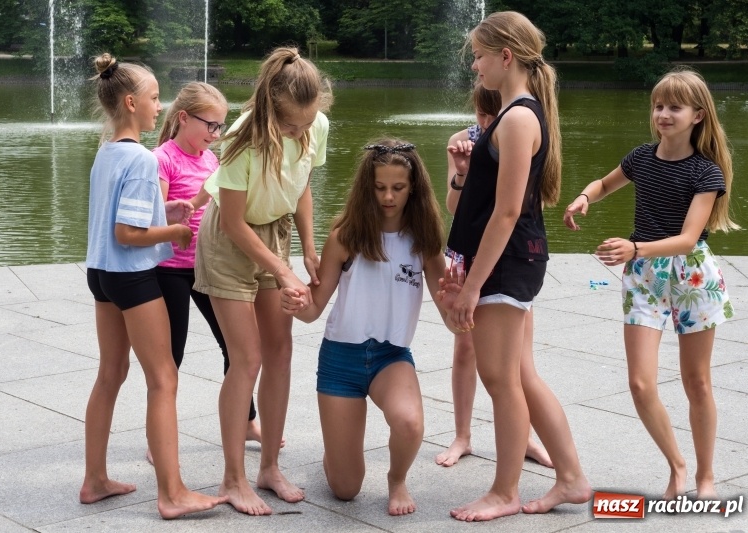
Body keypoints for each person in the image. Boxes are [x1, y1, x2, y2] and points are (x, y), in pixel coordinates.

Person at [564, 69, 738, 500]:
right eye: (658, 106)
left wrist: (635, 247)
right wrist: (586, 196)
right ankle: (677, 465)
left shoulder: (706, 172)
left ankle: (705, 476)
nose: (663, 114)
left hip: (692, 277)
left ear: (698, 115)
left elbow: (687, 238)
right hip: (645, 278)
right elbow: (605, 183)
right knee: (641, 384)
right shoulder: (642, 158)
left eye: (674, 107)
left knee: (696, 383)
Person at [444, 12, 591, 521]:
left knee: (501, 378)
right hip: (510, 261)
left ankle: (505, 491)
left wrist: (472, 287)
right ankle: (571, 476)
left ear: (506, 56)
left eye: (480, 56)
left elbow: (507, 213)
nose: (475, 66)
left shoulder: (519, 117)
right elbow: (486, 202)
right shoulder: (512, 114)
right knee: (521, 375)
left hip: (506, 265)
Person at [79, 53, 226, 519]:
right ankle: (172, 492)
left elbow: (117, 224)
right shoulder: (143, 159)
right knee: (163, 378)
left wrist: (167, 214)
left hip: (100, 275)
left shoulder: (107, 151)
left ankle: (95, 479)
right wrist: (176, 233)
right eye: (155, 98)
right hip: (132, 274)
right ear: (130, 102)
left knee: (111, 374)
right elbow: (129, 234)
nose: (160, 106)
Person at [280, 139, 457, 515]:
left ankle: (397, 479)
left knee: (409, 423)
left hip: (390, 358)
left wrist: (464, 306)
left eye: (398, 188)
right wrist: (295, 303)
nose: (388, 197)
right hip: (340, 360)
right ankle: (337, 449)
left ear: (414, 188)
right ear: (367, 187)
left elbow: (451, 319)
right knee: (345, 489)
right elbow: (312, 310)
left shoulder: (424, 242)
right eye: (379, 188)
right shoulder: (345, 238)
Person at [193, 46, 331, 516]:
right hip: (231, 241)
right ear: (272, 110)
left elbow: (303, 184)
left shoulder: (314, 124)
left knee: (280, 351)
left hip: (276, 232)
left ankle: (269, 467)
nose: (300, 132)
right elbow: (232, 223)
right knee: (246, 358)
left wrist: (308, 249)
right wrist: (282, 268)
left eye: (307, 123)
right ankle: (233, 479)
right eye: (292, 126)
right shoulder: (243, 137)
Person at [148, 82, 269, 464]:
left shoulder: (213, 161)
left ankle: (247, 421)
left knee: (237, 348)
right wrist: (177, 209)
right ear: (183, 118)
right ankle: (158, 438)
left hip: (208, 267)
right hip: (169, 269)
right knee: (171, 356)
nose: (216, 135)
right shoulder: (162, 158)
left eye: (220, 127)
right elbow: (157, 212)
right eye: (210, 126)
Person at [438, 82, 552, 469]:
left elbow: (520, 204)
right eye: (481, 116)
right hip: (470, 248)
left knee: (518, 357)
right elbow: (454, 206)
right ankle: (462, 435)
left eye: (491, 115)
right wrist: (463, 173)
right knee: (466, 347)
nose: (486, 123)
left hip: (511, 253)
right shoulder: (464, 140)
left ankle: (524, 438)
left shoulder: (518, 126)